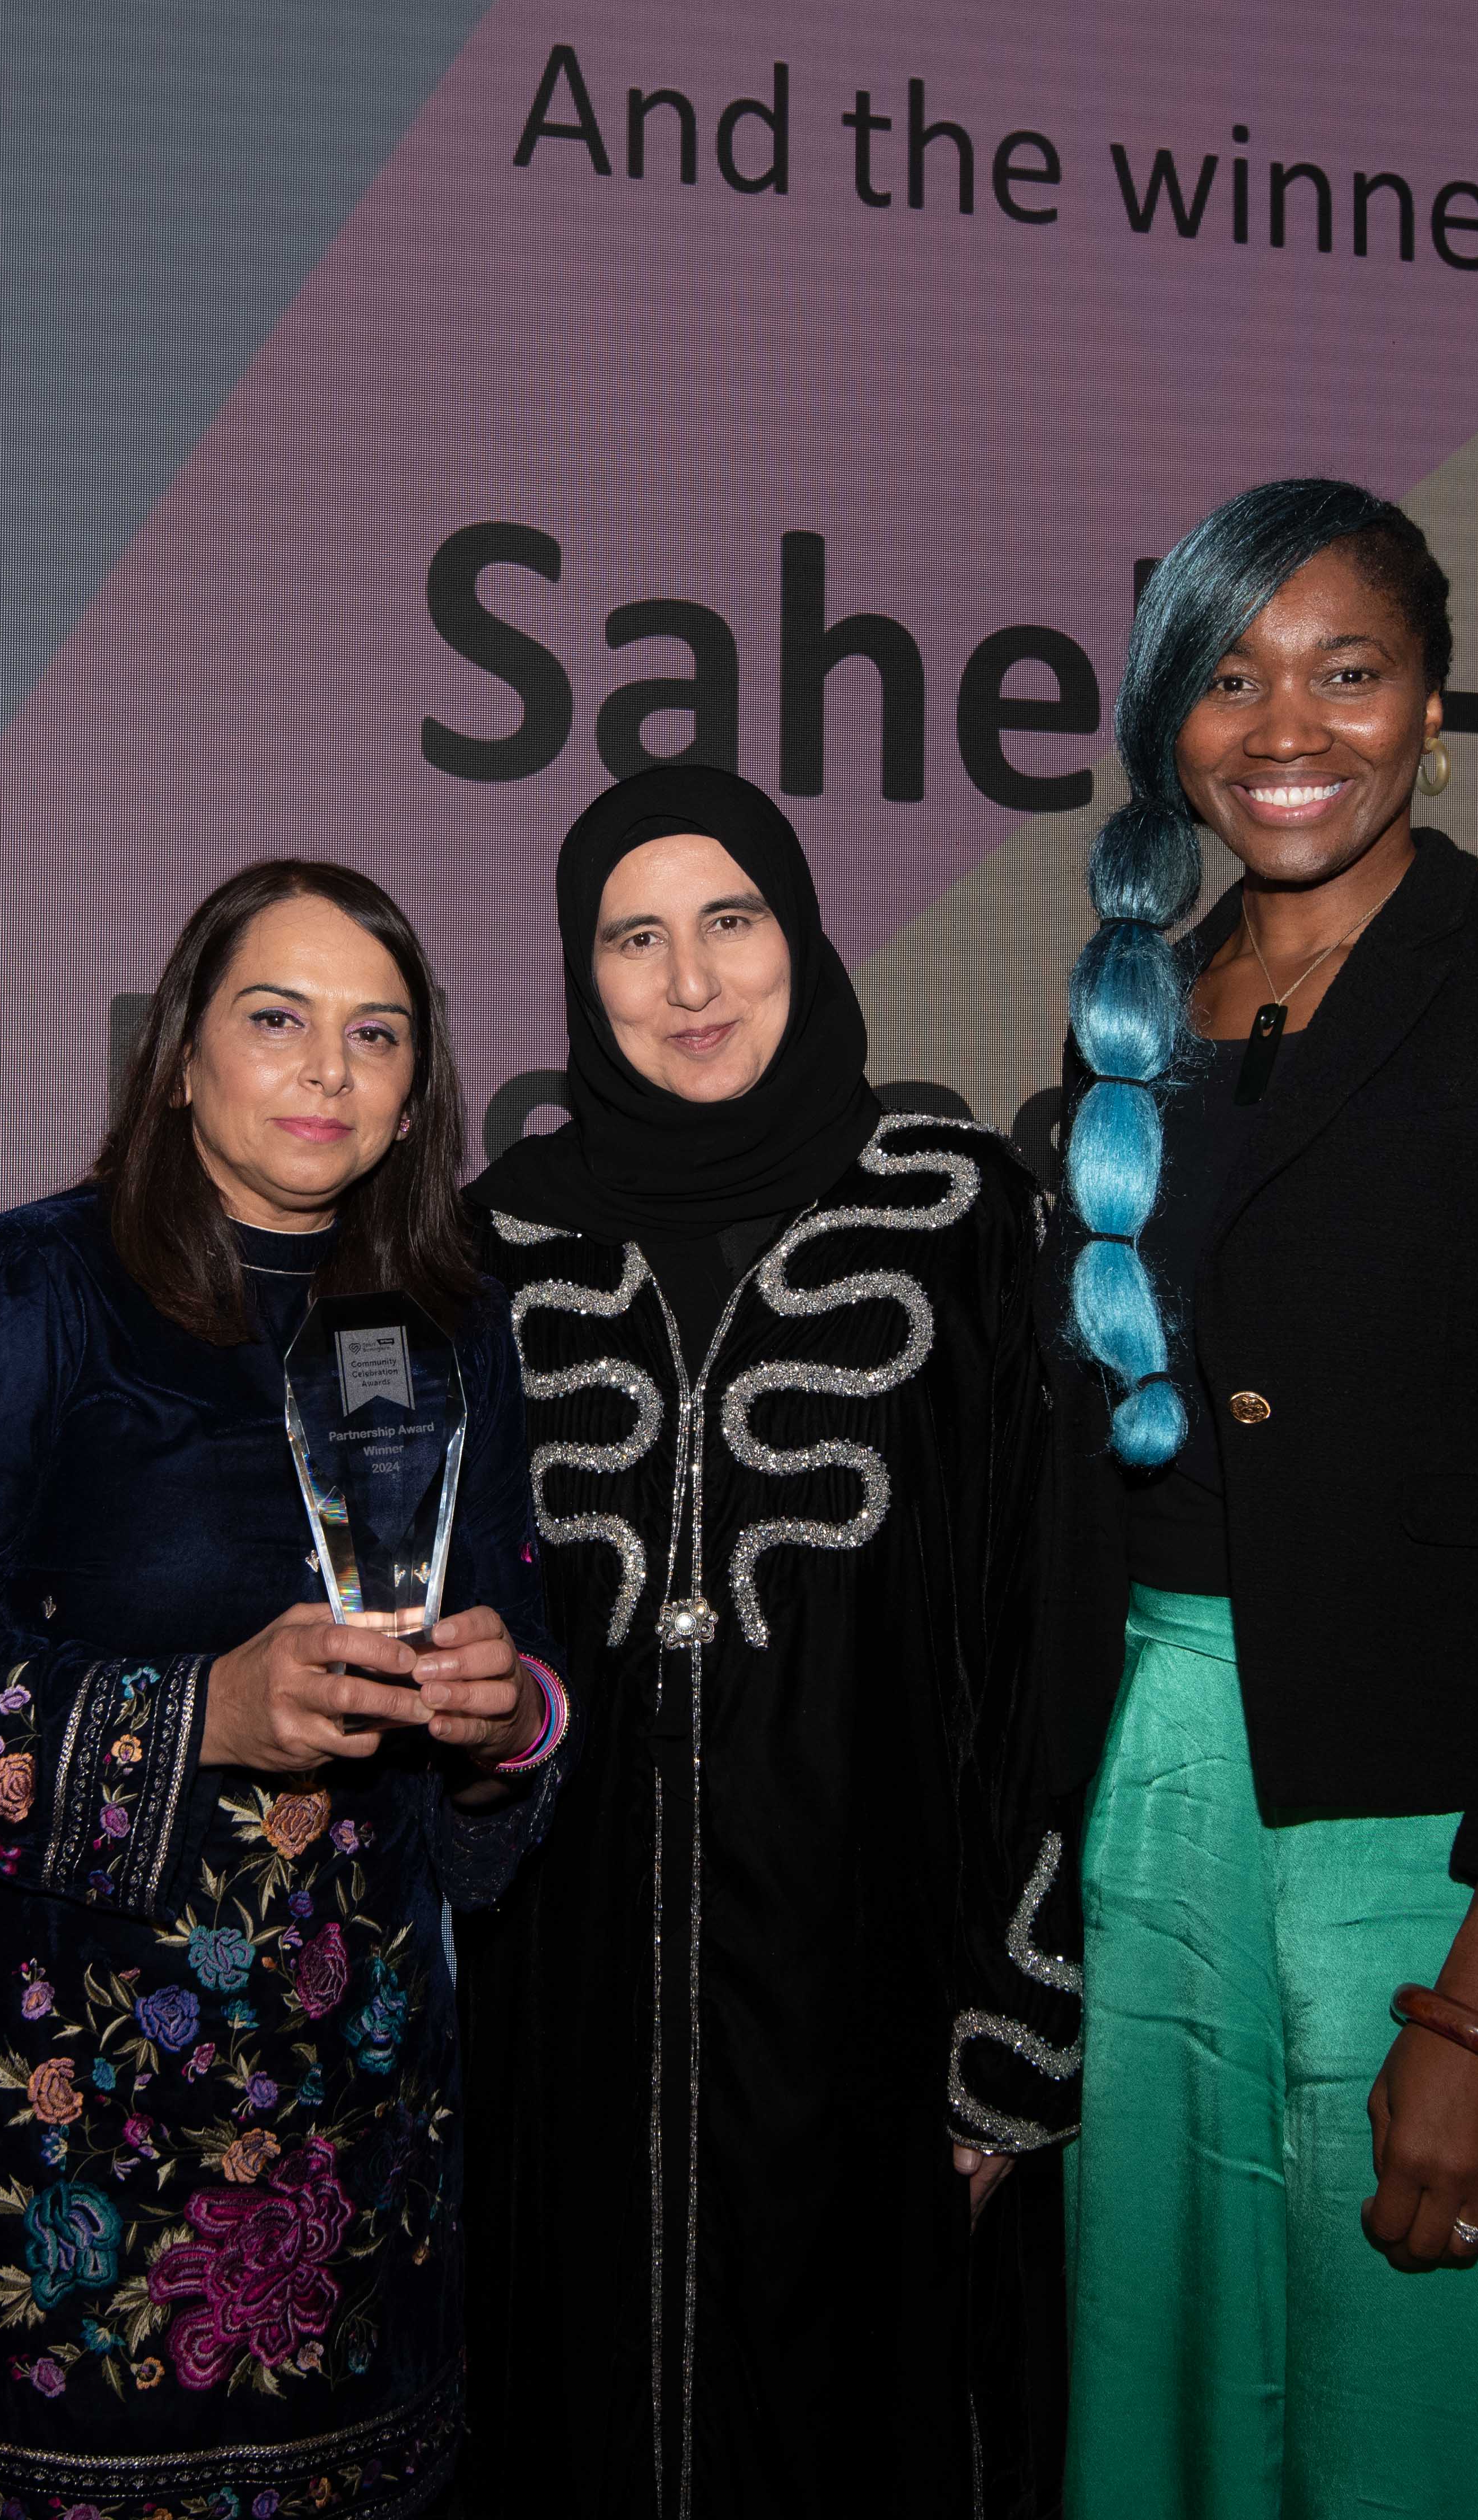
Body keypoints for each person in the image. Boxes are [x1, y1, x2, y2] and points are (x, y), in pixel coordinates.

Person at [1046, 479, 1478, 2514]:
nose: (1289, 730)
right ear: (1168, 722)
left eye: (1347, 674)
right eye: (1232, 679)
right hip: (1156, 1834)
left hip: (1458, 1863)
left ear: (1434, 707)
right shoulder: (1125, 1035)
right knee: (1179, 2444)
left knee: (1448, 2449)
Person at [0, 860, 566, 2519]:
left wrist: (509, 1722)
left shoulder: (450, 1324)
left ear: (421, 1094)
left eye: (378, 1035)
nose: (329, 1071)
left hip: (356, 2167)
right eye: (277, 1020)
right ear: (181, 1052)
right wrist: (200, 1711)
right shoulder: (29, 1291)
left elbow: (522, 1667)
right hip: (48, 2156)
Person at [456, 764, 1099, 2519]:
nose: (691, 983)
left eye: (730, 922)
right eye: (634, 938)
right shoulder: (494, 1245)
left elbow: (1042, 1633)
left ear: (801, 936)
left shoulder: (959, 1211)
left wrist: (1018, 2029)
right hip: (559, 2023)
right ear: (580, 975)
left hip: (879, 2022)